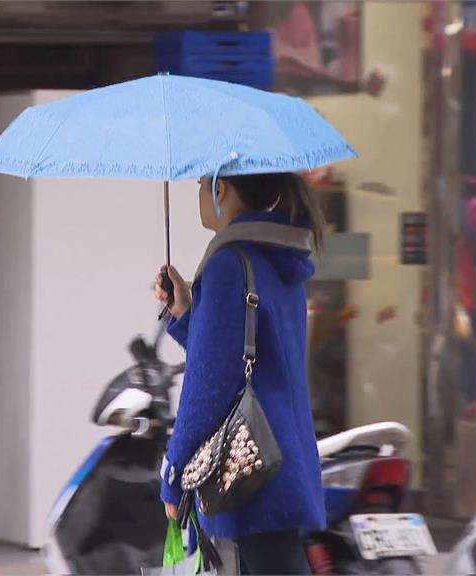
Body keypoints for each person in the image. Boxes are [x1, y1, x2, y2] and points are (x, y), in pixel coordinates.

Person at [153, 172, 325, 575]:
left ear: (221, 189)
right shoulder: (280, 258)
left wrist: (174, 475)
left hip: (248, 479)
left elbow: (208, 387)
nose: (198, 194)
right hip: (284, 464)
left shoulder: (228, 264)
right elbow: (246, 357)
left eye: (200, 185)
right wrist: (185, 315)